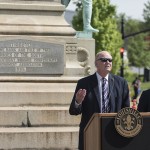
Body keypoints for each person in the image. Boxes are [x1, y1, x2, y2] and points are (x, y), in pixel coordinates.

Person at [69, 51, 130, 150]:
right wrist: (78, 101)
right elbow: (73, 111)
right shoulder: (84, 83)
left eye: (110, 60)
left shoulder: (121, 83)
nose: (108, 62)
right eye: (104, 60)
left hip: (114, 131)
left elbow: (126, 109)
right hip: (90, 131)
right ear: (96, 63)